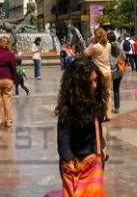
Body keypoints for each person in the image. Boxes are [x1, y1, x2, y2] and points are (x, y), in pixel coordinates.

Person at [55, 58, 108, 197]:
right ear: (78, 85)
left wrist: (101, 146)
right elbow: (63, 138)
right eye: (89, 82)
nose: (95, 85)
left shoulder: (95, 99)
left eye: (96, 80)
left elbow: (96, 128)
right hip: (77, 164)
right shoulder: (69, 107)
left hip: (93, 161)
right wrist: (69, 161)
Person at [85, 27, 112, 120]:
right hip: (108, 71)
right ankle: (108, 114)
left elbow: (85, 53)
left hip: (99, 72)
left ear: (96, 36)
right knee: (108, 93)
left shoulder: (95, 47)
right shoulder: (109, 45)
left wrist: (92, 42)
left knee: (98, 94)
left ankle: (101, 114)